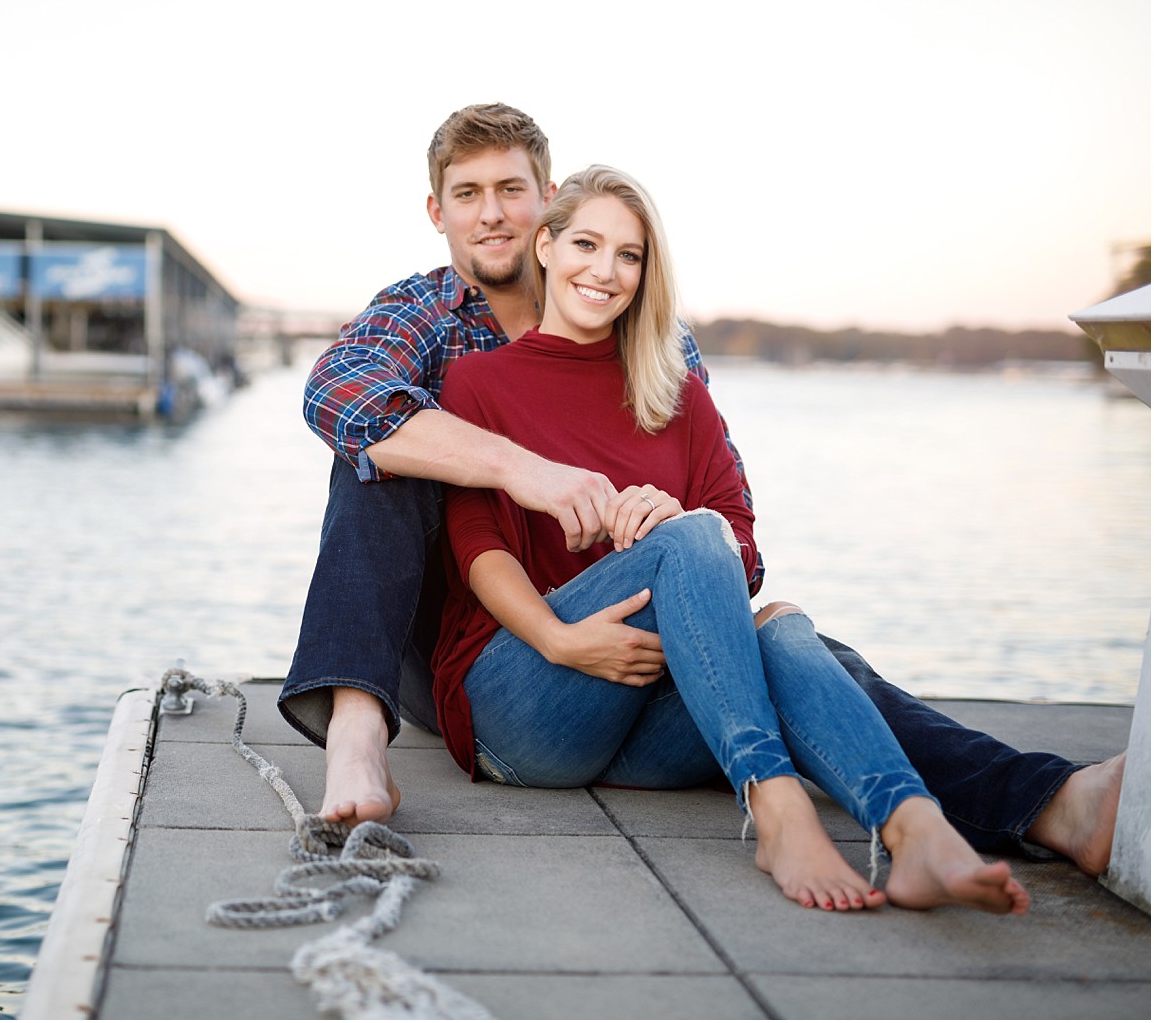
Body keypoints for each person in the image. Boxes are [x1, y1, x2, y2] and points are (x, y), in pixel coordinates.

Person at [279, 103, 1124, 878]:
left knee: (795, 646)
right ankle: (356, 728)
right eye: (468, 194)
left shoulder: (656, 353)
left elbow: (728, 528)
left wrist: (680, 524)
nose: (492, 212)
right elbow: (337, 397)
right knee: (377, 448)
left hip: (635, 659)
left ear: (546, 202)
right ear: (439, 211)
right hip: (466, 651)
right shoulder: (430, 321)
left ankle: (1040, 806)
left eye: (512, 189)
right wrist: (518, 470)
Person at [431, 163, 1028, 913]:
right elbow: (476, 547)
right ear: (545, 247)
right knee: (697, 541)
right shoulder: (478, 383)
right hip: (525, 703)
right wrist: (558, 638)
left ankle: (915, 828)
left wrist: (670, 518)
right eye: (586, 243)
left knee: (778, 624)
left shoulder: (677, 394)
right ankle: (778, 810)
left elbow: (738, 549)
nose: (604, 270)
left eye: (629, 254)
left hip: (644, 719)